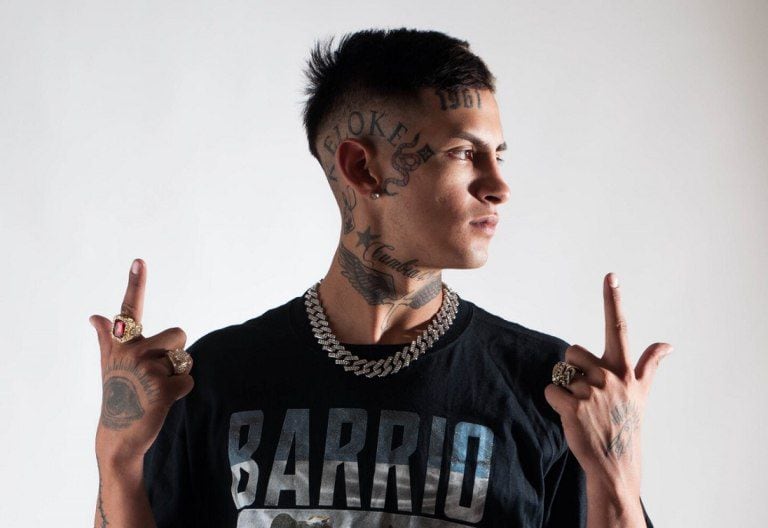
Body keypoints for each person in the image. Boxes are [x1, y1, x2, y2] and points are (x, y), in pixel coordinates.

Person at [90, 28, 671, 527]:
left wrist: (618, 481)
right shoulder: (215, 380)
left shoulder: (550, 392)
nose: (499, 186)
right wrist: (117, 461)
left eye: (499, 154)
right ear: (362, 168)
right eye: (464, 153)